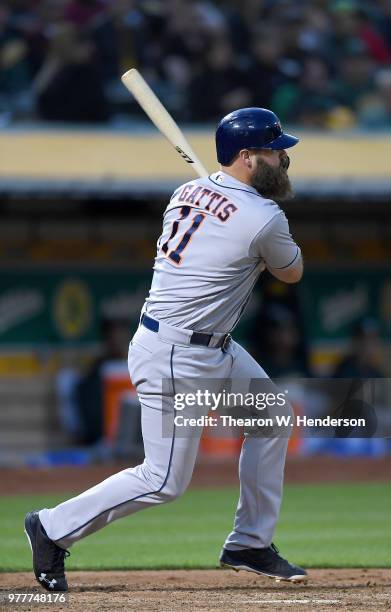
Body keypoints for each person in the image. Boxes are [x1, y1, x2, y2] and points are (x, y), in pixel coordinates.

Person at [24, 107, 307, 591]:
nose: (284, 160)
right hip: (177, 354)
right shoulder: (263, 218)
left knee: (273, 418)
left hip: (213, 347)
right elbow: (292, 271)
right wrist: (259, 237)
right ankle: (51, 527)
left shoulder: (187, 191)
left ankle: (249, 542)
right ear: (247, 158)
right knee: (162, 480)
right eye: (275, 151)